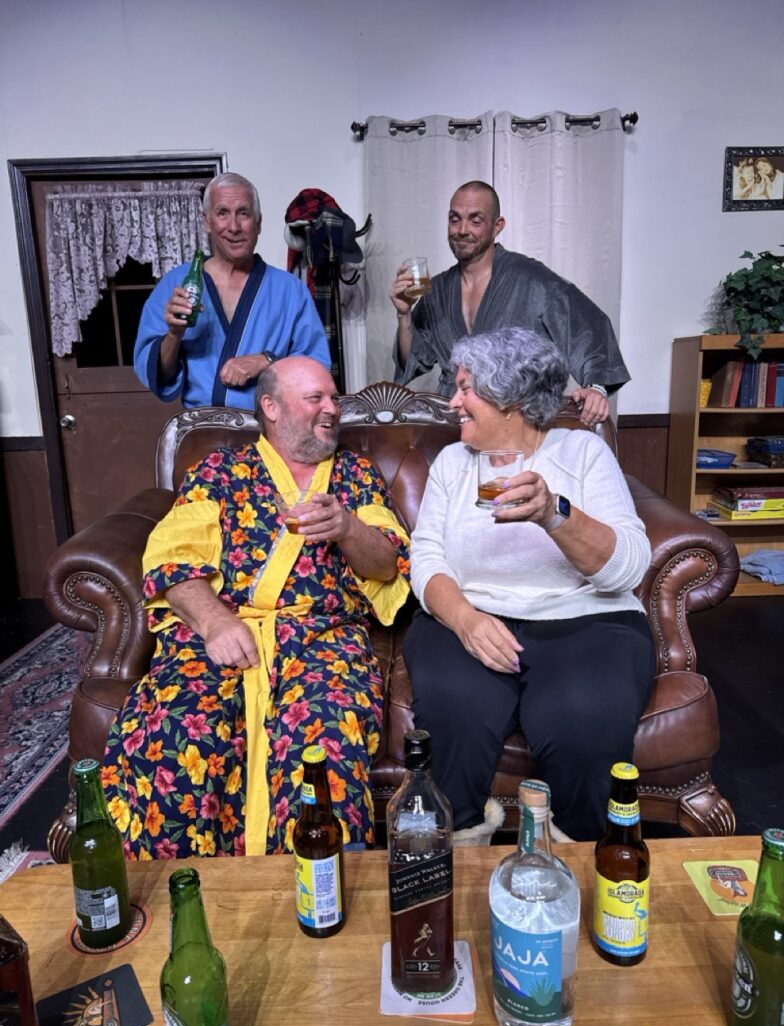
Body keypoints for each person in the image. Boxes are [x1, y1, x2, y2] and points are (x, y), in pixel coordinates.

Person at [102, 357, 410, 858]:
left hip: (321, 639)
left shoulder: (355, 474)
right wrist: (215, 621)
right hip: (219, 632)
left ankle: (318, 905)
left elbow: (387, 567)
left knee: (325, 745)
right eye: (316, 399)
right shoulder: (219, 470)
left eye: (334, 398)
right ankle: (177, 897)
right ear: (271, 407)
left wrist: (349, 528)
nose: (332, 409)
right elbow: (174, 558)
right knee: (176, 732)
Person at [404, 327, 655, 843]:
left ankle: (579, 863)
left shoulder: (582, 453)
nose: (453, 402)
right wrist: (467, 621)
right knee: (456, 712)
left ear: (510, 398)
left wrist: (553, 514)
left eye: (466, 388)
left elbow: (629, 566)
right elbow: (425, 559)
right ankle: (461, 857)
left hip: (586, 619)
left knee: (583, 719)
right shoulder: (453, 463)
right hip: (468, 620)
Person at [390, 180, 630, 425]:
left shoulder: (530, 279)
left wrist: (596, 389)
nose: (462, 230)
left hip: (518, 423)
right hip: (454, 424)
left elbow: (588, 326)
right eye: (455, 219)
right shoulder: (437, 290)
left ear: (497, 226)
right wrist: (404, 314)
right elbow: (415, 360)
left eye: (475, 220)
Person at [134, 172, 331, 409]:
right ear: (207, 222)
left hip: (272, 431)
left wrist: (267, 361)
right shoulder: (178, 284)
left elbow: (316, 369)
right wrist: (174, 335)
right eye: (222, 213)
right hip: (204, 429)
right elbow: (160, 375)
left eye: (244, 213)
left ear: (258, 223)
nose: (234, 227)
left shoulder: (290, 291)